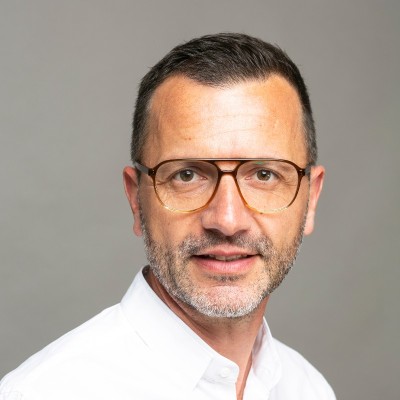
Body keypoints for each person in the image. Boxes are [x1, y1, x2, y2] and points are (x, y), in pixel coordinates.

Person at [0, 33, 335, 399]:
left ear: (311, 199)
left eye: (264, 175)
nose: (227, 220)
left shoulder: (308, 388)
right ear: (136, 199)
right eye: (187, 175)